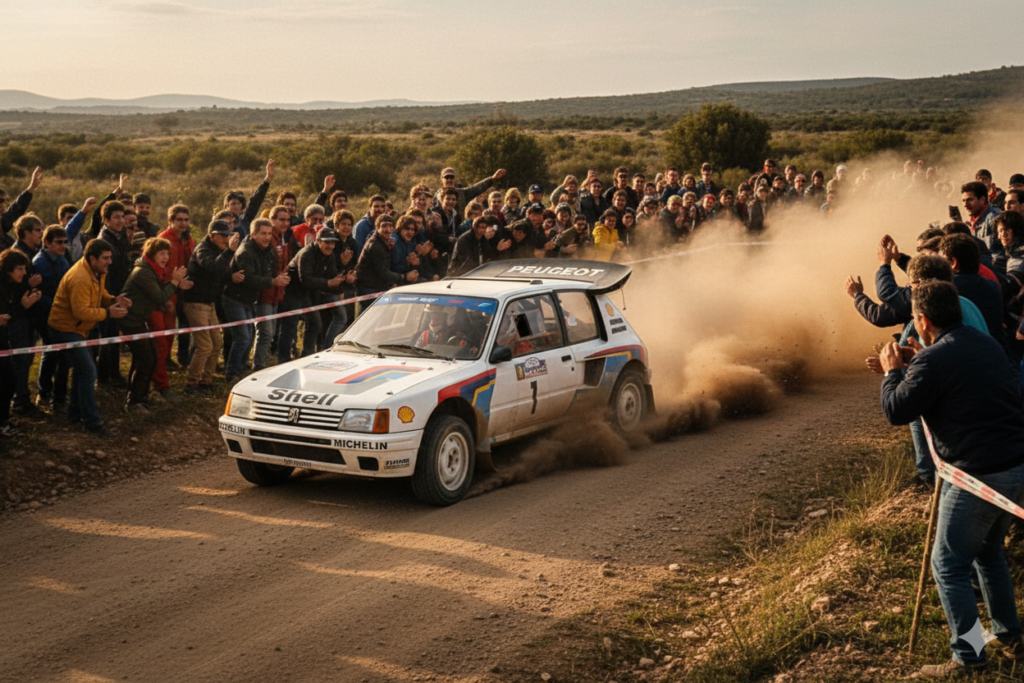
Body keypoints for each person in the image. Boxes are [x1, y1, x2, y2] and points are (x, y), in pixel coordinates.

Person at [877, 279, 1024, 677]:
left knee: (948, 565)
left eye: (913, 318)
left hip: (975, 476)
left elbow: (896, 411)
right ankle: (1010, 635)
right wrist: (916, 361)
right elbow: (953, 375)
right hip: (1014, 469)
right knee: (988, 554)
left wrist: (892, 372)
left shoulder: (933, 360)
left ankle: (969, 656)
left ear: (922, 320)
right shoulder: (985, 343)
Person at [48, 239, 131, 437]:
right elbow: (81, 312)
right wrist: (108, 312)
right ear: (92, 258)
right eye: (105, 258)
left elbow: (99, 292)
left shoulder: (95, 271)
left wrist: (113, 299)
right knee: (87, 371)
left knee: (82, 371)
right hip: (65, 328)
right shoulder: (80, 277)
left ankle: (75, 413)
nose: (109, 262)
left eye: (110, 258)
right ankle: (91, 422)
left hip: (78, 328)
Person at [120, 238, 194, 410]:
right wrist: (175, 283)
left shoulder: (153, 270)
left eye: (167, 253)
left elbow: (156, 296)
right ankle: (134, 401)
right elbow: (159, 296)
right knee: (146, 359)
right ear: (152, 254)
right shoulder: (144, 272)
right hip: (131, 320)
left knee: (146, 359)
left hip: (138, 318)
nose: (165, 257)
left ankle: (140, 396)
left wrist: (172, 287)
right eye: (161, 253)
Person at [222, 218, 289, 381]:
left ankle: (240, 368)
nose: (267, 237)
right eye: (263, 234)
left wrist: (277, 277)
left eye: (269, 233)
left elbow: (270, 270)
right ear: (253, 234)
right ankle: (231, 373)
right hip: (234, 298)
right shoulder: (246, 251)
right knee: (243, 337)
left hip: (249, 299)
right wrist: (273, 281)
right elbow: (249, 278)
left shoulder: (268, 250)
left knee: (248, 336)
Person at [183, 220, 240, 393]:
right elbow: (214, 267)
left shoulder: (219, 250)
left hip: (209, 303)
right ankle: (191, 383)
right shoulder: (203, 249)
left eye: (228, 235)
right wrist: (230, 251)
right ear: (211, 235)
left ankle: (206, 381)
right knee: (205, 345)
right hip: (196, 303)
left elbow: (220, 273)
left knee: (216, 343)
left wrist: (231, 276)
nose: (226, 239)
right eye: (223, 235)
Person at [277, 227, 346, 361]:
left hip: (309, 293)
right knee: (290, 327)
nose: (331, 246)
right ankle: (283, 360)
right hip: (292, 292)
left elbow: (332, 274)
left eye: (333, 243)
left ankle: (307, 356)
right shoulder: (306, 254)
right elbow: (306, 280)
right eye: (328, 242)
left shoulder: (329, 255)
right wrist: (328, 283)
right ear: (318, 241)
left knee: (315, 324)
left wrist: (339, 289)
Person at [32, 225, 71, 409]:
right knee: (53, 350)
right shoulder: (39, 263)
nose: (63, 245)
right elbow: (37, 292)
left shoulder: (62, 259)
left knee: (59, 353)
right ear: (47, 243)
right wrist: (57, 305)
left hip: (61, 311)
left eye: (65, 242)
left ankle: (56, 394)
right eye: (58, 242)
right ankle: (45, 392)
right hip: (44, 313)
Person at [157, 204, 195, 370]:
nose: (183, 223)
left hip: (185, 286)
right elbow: (161, 268)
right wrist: (176, 283)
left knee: (183, 325)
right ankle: (163, 360)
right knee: (168, 326)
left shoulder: (188, 238)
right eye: (179, 220)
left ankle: (181, 356)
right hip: (168, 286)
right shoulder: (164, 239)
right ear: (171, 220)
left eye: (186, 220)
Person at [355, 214, 416, 295]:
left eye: (390, 226)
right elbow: (383, 273)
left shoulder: (385, 242)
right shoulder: (375, 245)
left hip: (375, 285)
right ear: (377, 228)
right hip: (368, 288)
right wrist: (404, 277)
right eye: (384, 226)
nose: (388, 229)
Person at [435, 166, 506, 217]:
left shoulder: (462, 193)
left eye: (451, 177)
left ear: (455, 178)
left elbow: (476, 188)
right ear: (442, 179)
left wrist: (492, 178)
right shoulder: (437, 196)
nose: (449, 180)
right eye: (446, 177)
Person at [0, 167, 42, 251]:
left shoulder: (2, 224)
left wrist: (31, 188)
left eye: (4, 200)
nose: (3, 204)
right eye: (1, 200)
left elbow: (15, 210)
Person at [962, 181, 1002, 254]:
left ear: (982, 199)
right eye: (963, 200)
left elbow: (998, 254)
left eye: (970, 200)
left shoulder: (994, 218)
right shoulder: (975, 218)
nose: (965, 205)